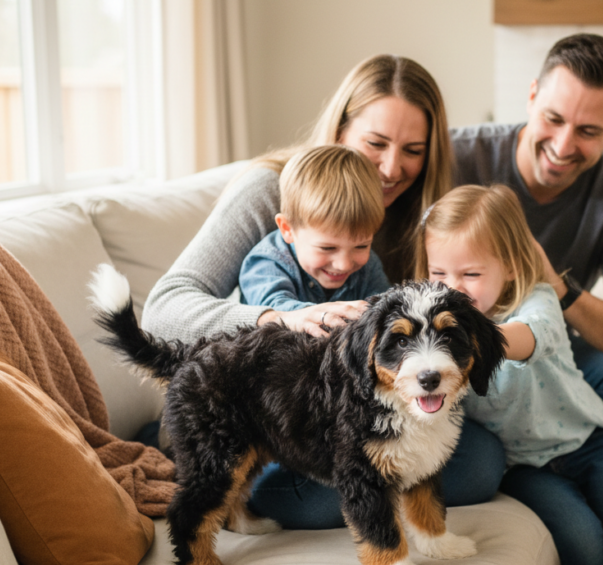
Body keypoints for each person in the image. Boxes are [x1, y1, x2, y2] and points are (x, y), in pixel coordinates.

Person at [141, 54, 505, 529]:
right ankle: (191, 453)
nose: (391, 168)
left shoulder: (416, 214)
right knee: (333, 488)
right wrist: (280, 318)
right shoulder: (270, 190)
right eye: (376, 143)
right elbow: (163, 308)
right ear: (340, 131)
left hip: (355, 408)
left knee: (481, 462)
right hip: (267, 404)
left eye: (413, 150)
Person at [449, 33, 603, 520]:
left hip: (554, 348)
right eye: (553, 118)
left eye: (588, 130)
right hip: (459, 351)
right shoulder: (458, 157)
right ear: (531, 97)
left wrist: (558, 285)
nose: (563, 146)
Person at [417, 183, 603, 565]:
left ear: (511, 266)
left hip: (591, 443)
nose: (452, 288)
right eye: (439, 273)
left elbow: (535, 336)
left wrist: (471, 340)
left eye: (471, 273)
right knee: (586, 548)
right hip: (525, 468)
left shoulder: (537, 299)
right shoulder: (430, 332)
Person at [239, 145, 390, 310]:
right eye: (327, 248)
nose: (344, 264)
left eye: (362, 246)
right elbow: (278, 314)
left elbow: (385, 310)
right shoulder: (266, 263)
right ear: (287, 229)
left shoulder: (369, 267)